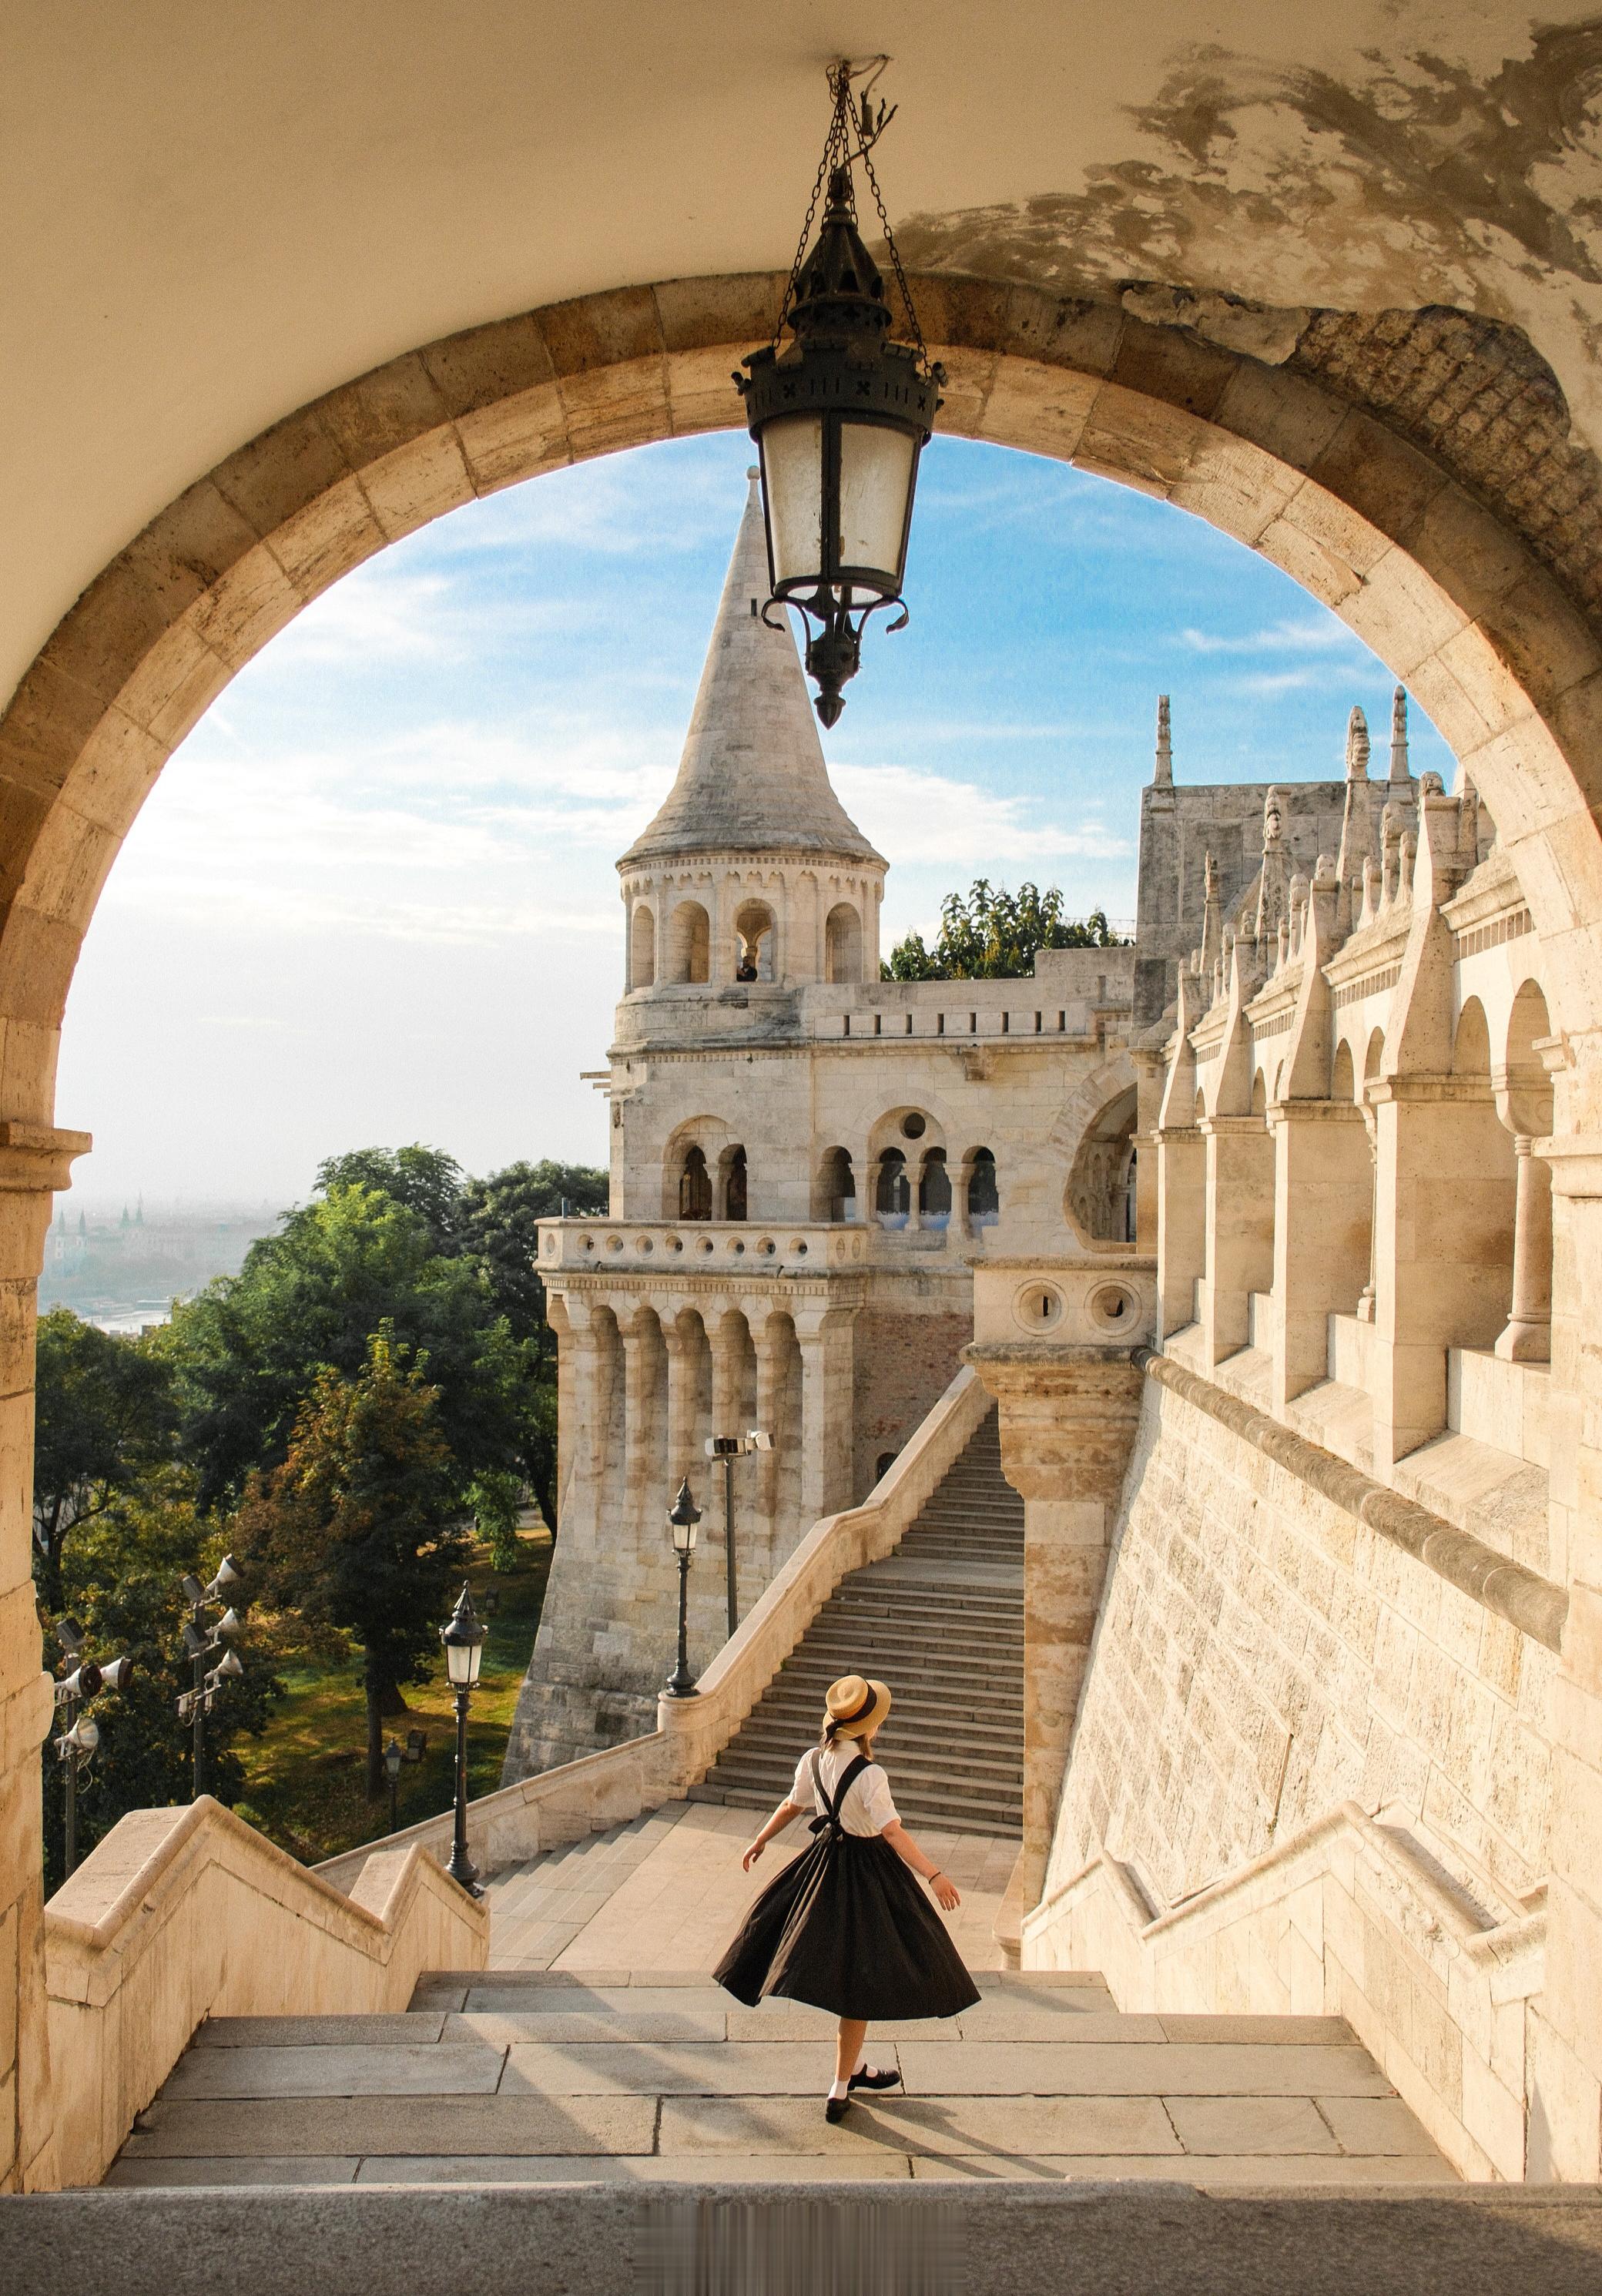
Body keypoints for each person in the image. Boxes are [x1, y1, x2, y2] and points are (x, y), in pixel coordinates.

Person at [712, 1673, 980, 2121]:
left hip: (822, 1869)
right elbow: (891, 1832)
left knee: (847, 1974)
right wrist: (934, 1875)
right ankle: (839, 2088)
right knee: (863, 1979)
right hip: (867, 1875)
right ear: (868, 1729)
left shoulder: (814, 1760)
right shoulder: (870, 1774)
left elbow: (791, 1805)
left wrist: (759, 1841)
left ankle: (852, 2068)